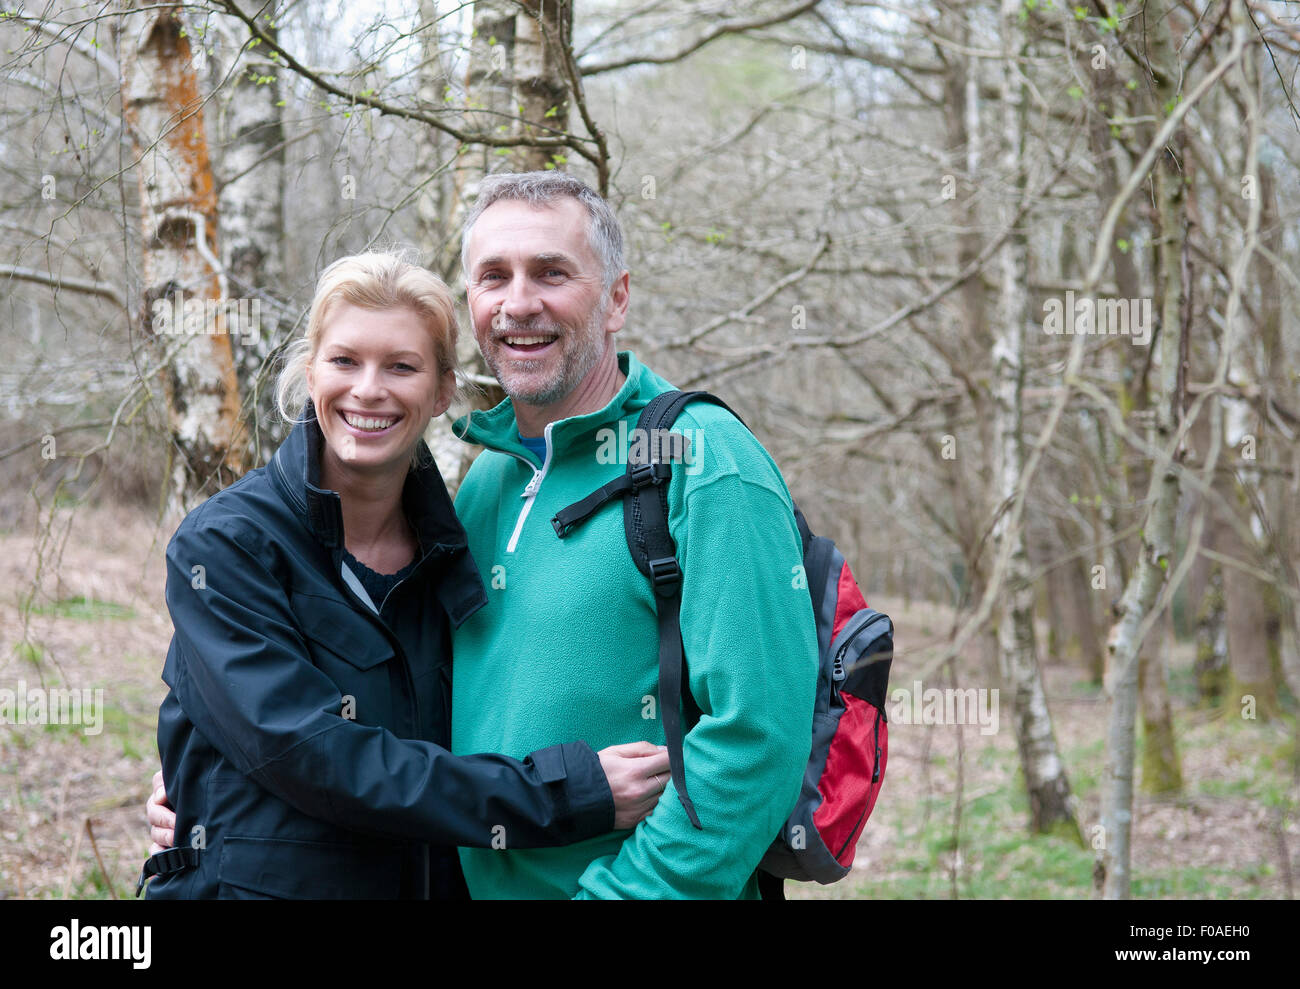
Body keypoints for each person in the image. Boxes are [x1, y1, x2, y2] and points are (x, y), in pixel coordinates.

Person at [138, 252, 669, 899]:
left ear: (443, 389)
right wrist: (565, 792)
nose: (368, 389)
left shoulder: (459, 541)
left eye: (401, 366)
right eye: (344, 361)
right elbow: (313, 754)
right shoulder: (226, 545)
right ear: (310, 371)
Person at [447, 171, 819, 898]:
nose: (519, 303)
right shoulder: (484, 484)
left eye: (552, 273)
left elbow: (756, 738)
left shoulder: (703, 459)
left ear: (617, 297)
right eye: (494, 276)